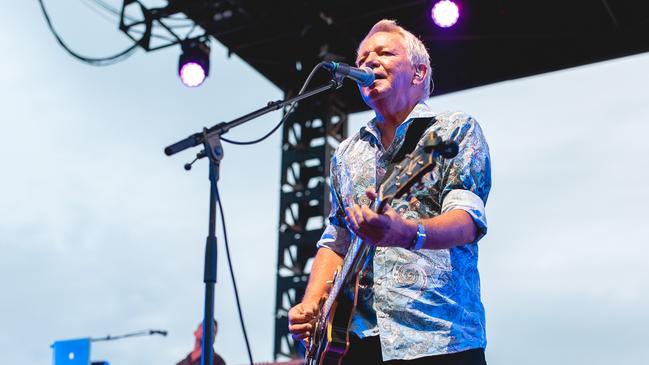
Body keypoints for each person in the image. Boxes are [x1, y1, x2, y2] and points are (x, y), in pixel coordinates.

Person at [288, 19, 491, 365]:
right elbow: (336, 238)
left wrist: (407, 232)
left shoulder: (453, 129)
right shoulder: (347, 154)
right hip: (354, 342)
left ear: (418, 72)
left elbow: (467, 220)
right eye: (363, 56)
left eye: (384, 53)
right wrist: (311, 306)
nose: (368, 61)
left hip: (437, 335)